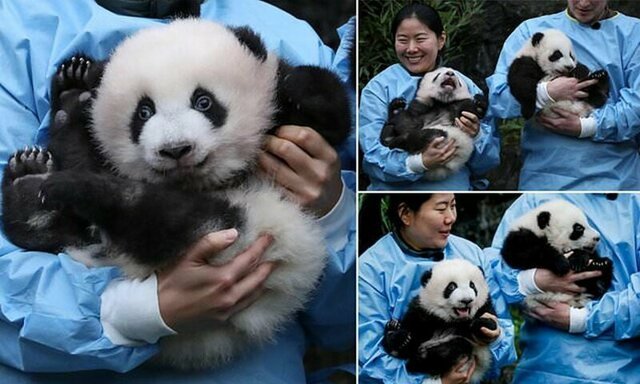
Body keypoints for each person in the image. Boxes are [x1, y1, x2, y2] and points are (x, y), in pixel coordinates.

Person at [0, 1, 356, 382]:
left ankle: (70, 182)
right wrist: (135, 311)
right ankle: (64, 183)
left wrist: (334, 213)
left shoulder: (283, 37)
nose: (172, 142)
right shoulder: (19, 33)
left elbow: (350, 324)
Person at [358, 194, 516, 384]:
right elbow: (369, 358)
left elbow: (504, 334)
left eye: (453, 205)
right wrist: (435, 382)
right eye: (441, 209)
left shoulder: (471, 253)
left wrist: (495, 336)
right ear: (406, 214)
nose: (451, 217)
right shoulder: (371, 269)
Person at [485, 193, 640, 382]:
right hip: (546, 365)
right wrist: (533, 281)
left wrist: (580, 318)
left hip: (613, 368)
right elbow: (493, 275)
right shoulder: (534, 202)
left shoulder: (536, 198)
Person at [486, 0, 640, 190]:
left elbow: (637, 105)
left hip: (617, 178)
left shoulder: (634, 34)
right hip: (545, 176)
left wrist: (587, 126)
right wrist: (545, 93)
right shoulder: (532, 31)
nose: (584, 3)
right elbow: (499, 99)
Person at [359, 4, 499, 191]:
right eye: (402, 40)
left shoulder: (466, 86)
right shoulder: (379, 88)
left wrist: (477, 134)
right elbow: (372, 156)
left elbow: (487, 163)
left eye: (420, 39)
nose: (411, 49)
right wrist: (419, 162)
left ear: (441, 40)